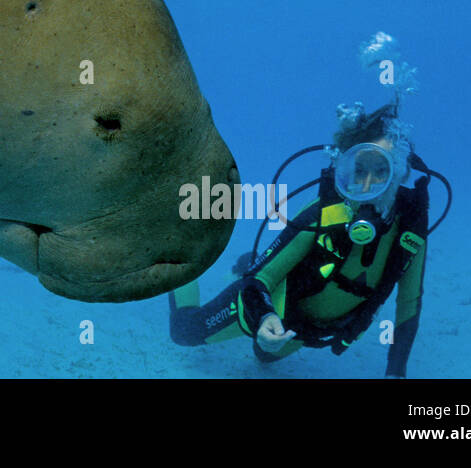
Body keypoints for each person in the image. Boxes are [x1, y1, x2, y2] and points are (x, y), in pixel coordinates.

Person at [168, 102, 447, 378]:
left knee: (264, 356)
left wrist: (395, 373)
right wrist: (264, 317)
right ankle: (176, 252)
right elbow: (258, 281)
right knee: (183, 331)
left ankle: (251, 263)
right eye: (359, 170)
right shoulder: (323, 216)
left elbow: (408, 305)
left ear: (399, 172)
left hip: (304, 330)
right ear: (344, 168)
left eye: (381, 171)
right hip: (268, 307)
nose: (367, 186)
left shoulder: (409, 233)